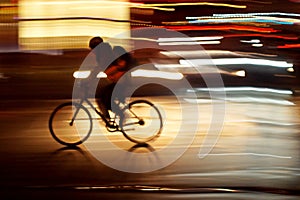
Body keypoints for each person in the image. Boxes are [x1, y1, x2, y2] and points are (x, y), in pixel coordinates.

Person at [88, 37, 133, 122]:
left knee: (104, 98)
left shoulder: (104, 53)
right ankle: (108, 117)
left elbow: (100, 68)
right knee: (103, 97)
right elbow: (99, 69)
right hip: (118, 79)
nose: (92, 51)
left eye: (92, 49)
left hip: (121, 79)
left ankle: (121, 115)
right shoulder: (103, 52)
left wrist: (89, 80)